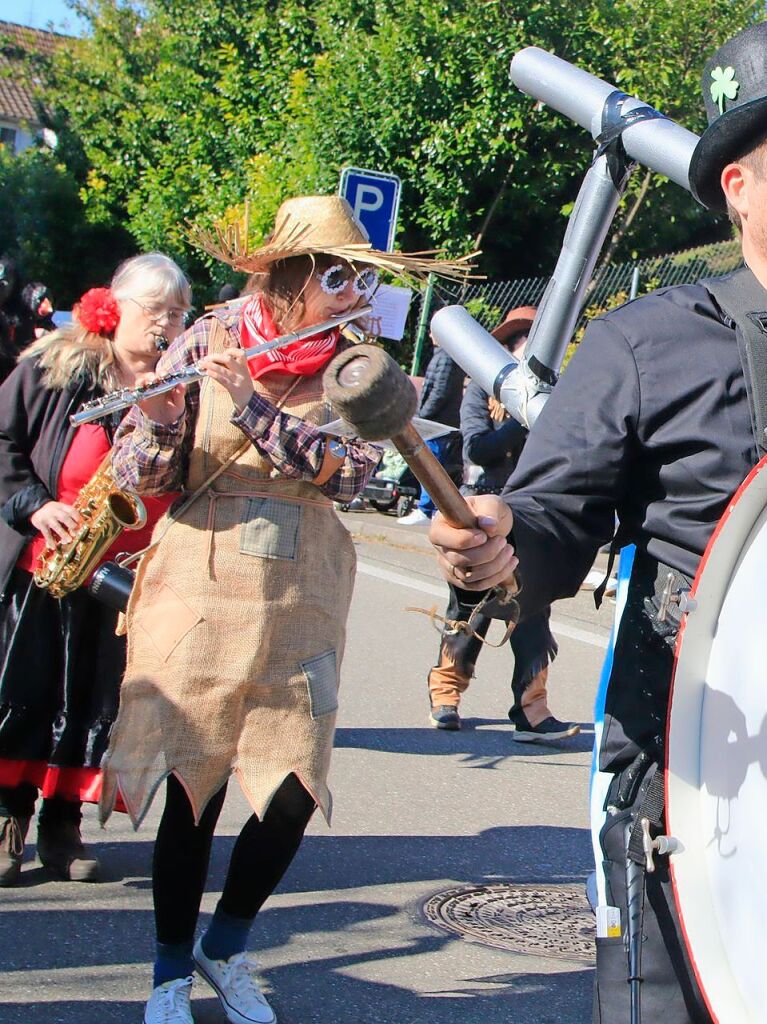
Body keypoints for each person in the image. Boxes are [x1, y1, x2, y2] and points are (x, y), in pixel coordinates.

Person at [429, 22, 767, 1022]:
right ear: (737, 186)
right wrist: (491, 544)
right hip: (691, 787)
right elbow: (544, 521)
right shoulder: (645, 343)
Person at [99, 195, 469, 1024]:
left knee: (292, 786)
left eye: (356, 278)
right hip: (202, 569)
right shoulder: (207, 336)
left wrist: (260, 413)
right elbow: (139, 475)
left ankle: (223, 947)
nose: (351, 294)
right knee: (196, 782)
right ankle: (166, 971)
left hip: (303, 583)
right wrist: (157, 420)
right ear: (289, 275)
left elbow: (350, 476)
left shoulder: (359, 364)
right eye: (336, 277)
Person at [0, 253, 192, 887]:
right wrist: (35, 505)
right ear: (114, 308)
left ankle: (62, 826)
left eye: (178, 313)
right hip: (41, 563)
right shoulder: (55, 369)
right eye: (155, 310)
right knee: (23, 695)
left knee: (91, 700)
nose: (168, 324)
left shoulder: (179, 389)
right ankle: (6, 819)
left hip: (117, 575)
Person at [427, 306, 578, 742]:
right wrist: (522, 411)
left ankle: (532, 711)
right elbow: (478, 449)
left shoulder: (559, 395)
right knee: (468, 610)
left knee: (534, 613)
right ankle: (446, 694)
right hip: (483, 514)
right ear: (510, 350)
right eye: (528, 342)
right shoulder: (480, 392)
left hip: (535, 518)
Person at [398, 340, 464, 525]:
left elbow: (439, 391)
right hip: (439, 421)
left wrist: (422, 414)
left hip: (437, 423)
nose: (430, 334)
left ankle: (427, 510)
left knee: (431, 466)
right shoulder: (446, 355)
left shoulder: (445, 357)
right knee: (434, 465)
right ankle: (430, 509)